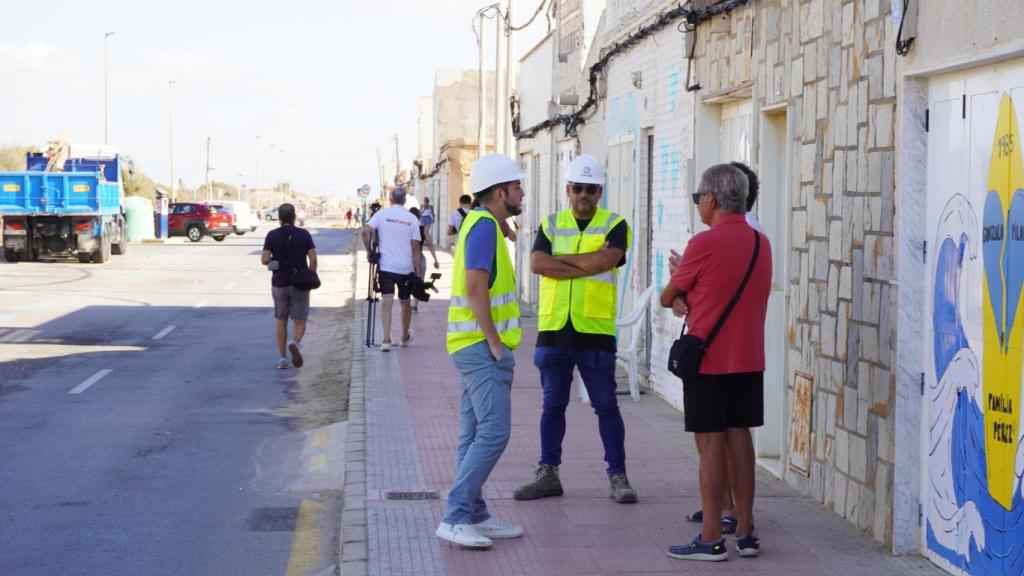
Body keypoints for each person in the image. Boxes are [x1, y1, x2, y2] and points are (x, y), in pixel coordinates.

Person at [659, 164, 772, 562]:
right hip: (749, 357)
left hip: (709, 359)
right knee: (740, 439)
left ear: (711, 198)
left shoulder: (703, 243)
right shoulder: (761, 242)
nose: (697, 205)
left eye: (698, 198)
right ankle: (746, 529)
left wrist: (679, 281)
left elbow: (668, 295)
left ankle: (710, 537)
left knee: (710, 445)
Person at [513, 154, 638, 505]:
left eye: (590, 189)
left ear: (600, 192)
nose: (584, 194)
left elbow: (607, 260)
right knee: (552, 405)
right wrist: (588, 263)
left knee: (606, 406)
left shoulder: (616, 225)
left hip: (595, 331)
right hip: (554, 329)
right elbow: (537, 263)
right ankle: (548, 474)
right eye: (578, 188)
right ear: (567, 189)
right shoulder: (551, 224)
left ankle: (618, 476)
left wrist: (560, 262)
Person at [435, 154, 526, 549]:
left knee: (473, 432)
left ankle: (474, 514)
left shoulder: (481, 223)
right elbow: (475, 288)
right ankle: (455, 516)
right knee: (494, 432)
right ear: (500, 193)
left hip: (470, 344)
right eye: (517, 186)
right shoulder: (485, 226)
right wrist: (494, 342)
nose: (522, 192)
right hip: (480, 347)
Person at [361, 187, 422, 352]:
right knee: (405, 301)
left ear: (390, 199)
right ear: (405, 201)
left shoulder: (381, 214)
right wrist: (418, 270)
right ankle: (404, 337)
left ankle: (386, 340)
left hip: (386, 266)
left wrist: (369, 252)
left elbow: (365, 232)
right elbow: (415, 246)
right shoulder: (412, 218)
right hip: (405, 267)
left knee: (387, 301)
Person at [260, 203, 318, 370]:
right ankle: (295, 343)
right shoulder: (304, 234)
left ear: (279, 218)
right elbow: (313, 259)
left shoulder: (272, 235)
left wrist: (274, 261)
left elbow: (264, 259)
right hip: (299, 283)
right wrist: (310, 275)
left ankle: (282, 359)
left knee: (281, 320)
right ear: (294, 217)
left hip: (279, 283)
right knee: (300, 320)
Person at [408, 206, 440, 313]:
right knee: (419, 282)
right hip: (420, 258)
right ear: (419, 217)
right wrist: (435, 259)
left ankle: (407, 303)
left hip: (407, 259)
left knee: (406, 282)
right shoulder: (423, 229)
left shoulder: (405, 228)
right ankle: (414, 305)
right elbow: (430, 244)